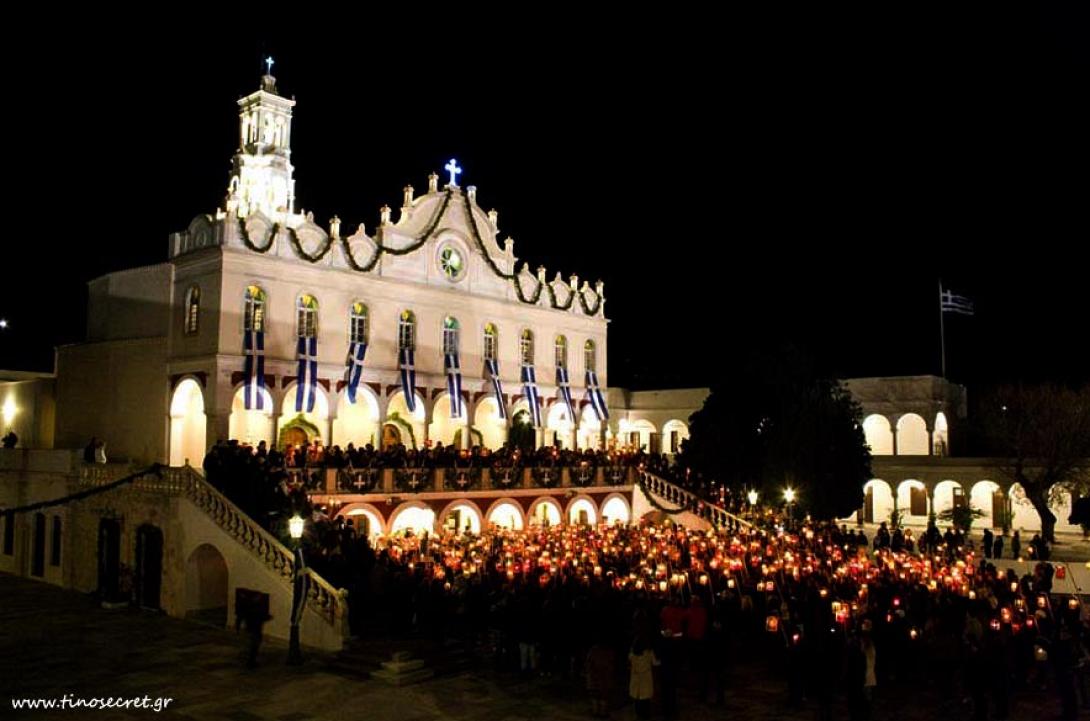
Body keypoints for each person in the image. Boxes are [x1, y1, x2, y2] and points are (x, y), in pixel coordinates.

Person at [628, 635, 658, 720]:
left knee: (637, 699)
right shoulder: (649, 653)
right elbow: (655, 663)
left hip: (636, 679)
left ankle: (639, 716)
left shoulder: (632, 655)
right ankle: (645, 716)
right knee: (646, 700)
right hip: (646, 680)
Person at [585, 635, 615, 718]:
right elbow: (611, 665)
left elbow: (588, 664)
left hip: (595, 677)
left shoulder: (593, 650)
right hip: (603, 678)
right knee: (603, 696)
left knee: (596, 695)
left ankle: (596, 712)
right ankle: (602, 713)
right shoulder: (608, 651)